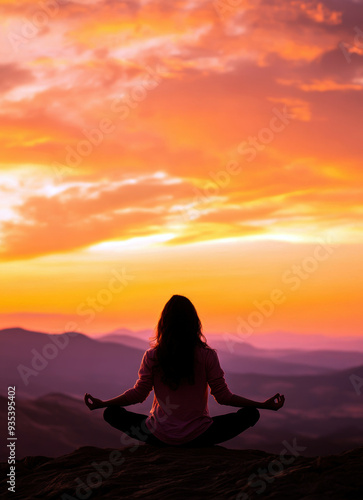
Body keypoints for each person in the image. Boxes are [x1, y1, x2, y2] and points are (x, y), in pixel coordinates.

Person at [84, 295, 285, 447]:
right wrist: (262, 405)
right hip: (200, 437)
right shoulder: (207, 355)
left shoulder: (153, 356)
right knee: (250, 414)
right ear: (194, 323)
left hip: (157, 435)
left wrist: (103, 403)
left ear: (164, 323)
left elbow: (138, 395)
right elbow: (223, 397)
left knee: (112, 413)